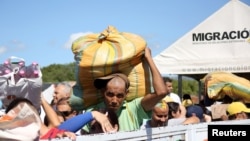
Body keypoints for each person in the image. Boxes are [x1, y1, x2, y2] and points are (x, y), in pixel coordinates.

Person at [82, 47, 167, 132]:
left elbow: (161, 92)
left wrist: (149, 58)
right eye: (110, 94)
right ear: (103, 92)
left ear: (126, 94)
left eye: (120, 95)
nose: (114, 100)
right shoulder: (93, 112)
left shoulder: (134, 109)